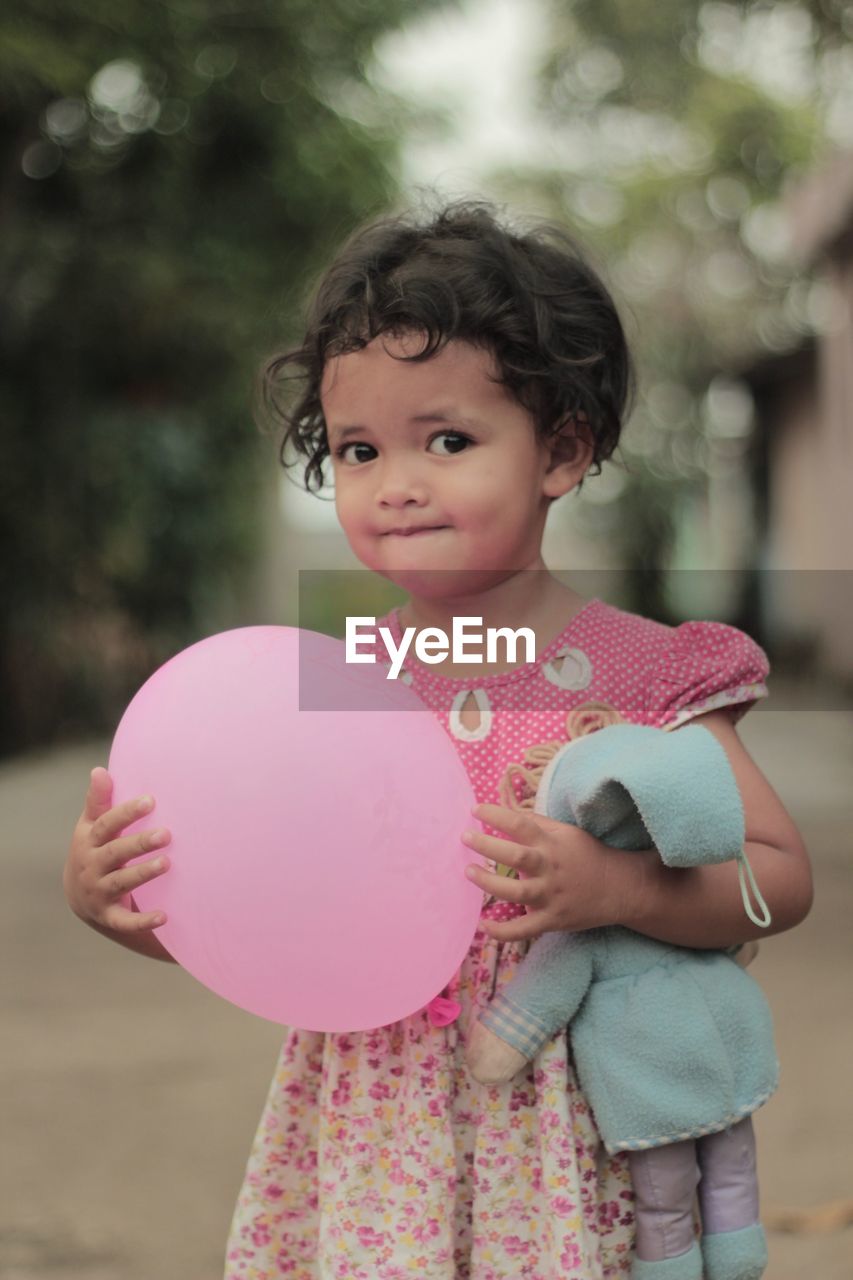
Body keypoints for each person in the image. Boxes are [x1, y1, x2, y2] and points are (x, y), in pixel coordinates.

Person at [63, 199, 813, 1279]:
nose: (397, 482)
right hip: (377, 1123)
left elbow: (778, 876)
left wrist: (621, 889)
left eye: (448, 440)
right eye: (360, 449)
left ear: (561, 450)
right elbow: (269, 923)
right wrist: (131, 905)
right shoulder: (338, 680)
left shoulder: (645, 672)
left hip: (563, 1119)